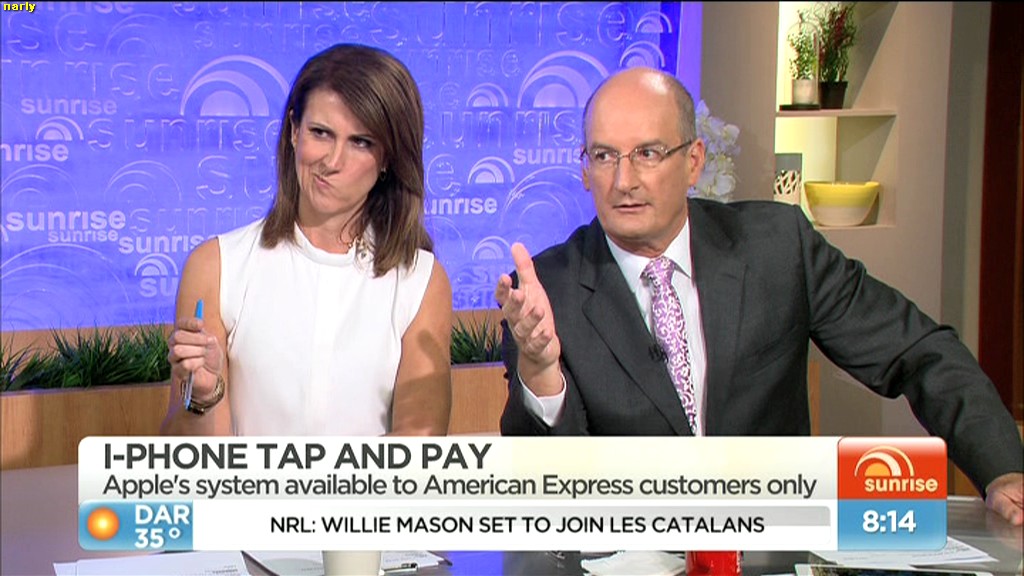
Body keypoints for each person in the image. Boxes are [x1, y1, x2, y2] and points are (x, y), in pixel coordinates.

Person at [495, 66, 1023, 525]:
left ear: (694, 161)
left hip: (774, 546)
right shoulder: (547, 289)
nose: (623, 180)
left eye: (648, 153)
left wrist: (1004, 471)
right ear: (584, 170)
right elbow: (540, 489)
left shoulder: (776, 248)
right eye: (604, 156)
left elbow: (918, 351)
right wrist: (540, 373)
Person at [161, 43, 452, 437]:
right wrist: (204, 397)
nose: (332, 161)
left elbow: (420, 449)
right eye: (321, 133)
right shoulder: (217, 266)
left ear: (387, 158)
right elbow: (189, 460)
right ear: (294, 131)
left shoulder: (420, 280)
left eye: (361, 142)